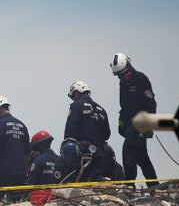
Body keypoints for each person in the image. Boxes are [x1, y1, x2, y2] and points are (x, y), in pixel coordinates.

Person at [110, 53, 159, 188]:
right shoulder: (123, 83)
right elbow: (124, 108)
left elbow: (150, 103)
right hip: (129, 124)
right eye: (119, 76)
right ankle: (154, 186)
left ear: (129, 67)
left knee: (128, 148)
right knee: (142, 158)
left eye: (123, 74)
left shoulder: (140, 79)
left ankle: (129, 184)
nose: (122, 78)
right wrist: (121, 123)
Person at [64, 80, 111, 181]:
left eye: (74, 96)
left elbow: (70, 131)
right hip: (101, 156)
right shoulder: (101, 109)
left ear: (77, 93)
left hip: (83, 155)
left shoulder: (76, 106)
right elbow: (107, 134)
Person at [0, 96, 31, 201]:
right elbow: (27, 153)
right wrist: (25, 172)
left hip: (2, 173)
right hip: (19, 174)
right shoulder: (22, 125)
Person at [26, 130, 66, 206]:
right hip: (58, 199)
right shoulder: (60, 160)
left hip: (40, 199)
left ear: (37, 146)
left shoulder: (38, 160)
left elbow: (31, 182)